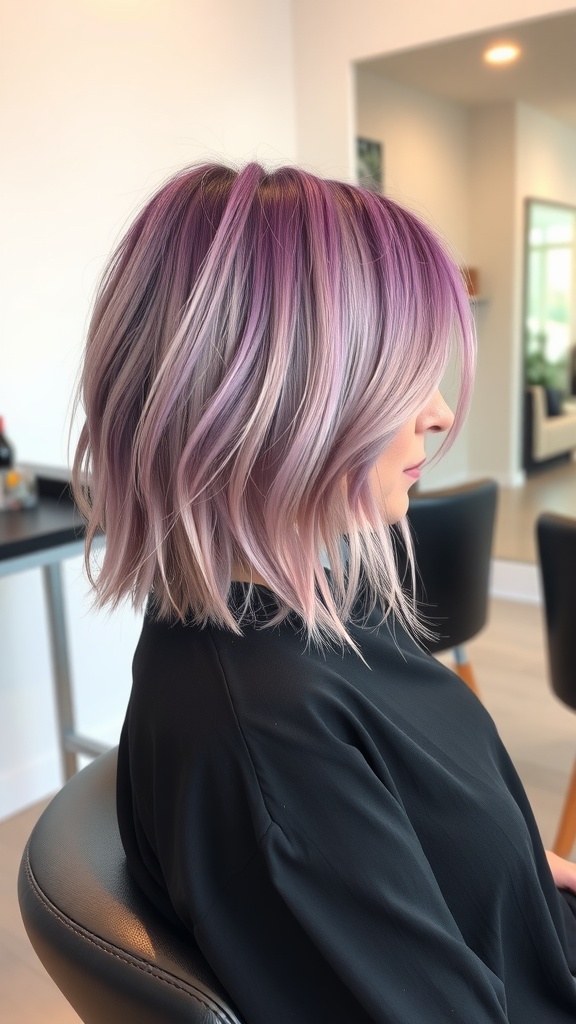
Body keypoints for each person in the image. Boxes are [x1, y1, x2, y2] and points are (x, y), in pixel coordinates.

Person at [72, 162, 576, 1023]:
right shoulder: (269, 742)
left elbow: (423, 823)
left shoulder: (314, 604)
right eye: (403, 374)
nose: (443, 413)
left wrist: (525, 867)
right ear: (272, 394)